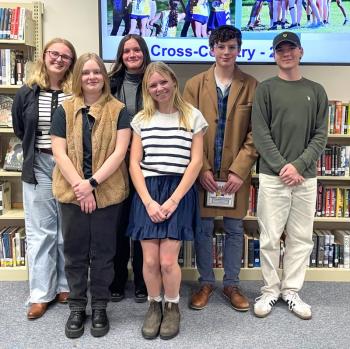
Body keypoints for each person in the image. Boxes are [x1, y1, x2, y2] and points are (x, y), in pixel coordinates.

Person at [51, 53, 130, 338]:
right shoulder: (64, 108)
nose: (92, 77)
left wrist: (92, 183)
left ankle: (99, 306)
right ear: (78, 77)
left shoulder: (119, 109)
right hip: (71, 192)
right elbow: (58, 151)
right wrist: (80, 186)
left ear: (104, 77)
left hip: (107, 192)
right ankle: (76, 307)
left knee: (104, 254)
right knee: (74, 253)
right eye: (85, 72)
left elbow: (120, 152)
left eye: (97, 72)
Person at [128, 62, 207, 340]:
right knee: (149, 261)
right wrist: (149, 202)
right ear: (147, 90)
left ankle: (172, 307)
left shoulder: (192, 116)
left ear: (173, 82)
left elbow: (196, 162)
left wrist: (173, 201)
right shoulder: (140, 120)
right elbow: (134, 165)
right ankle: (154, 305)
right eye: (152, 85)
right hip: (147, 192)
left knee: (167, 261)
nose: (159, 88)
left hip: (179, 191)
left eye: (163, 82)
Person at [251, 31, 328, 320]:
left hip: (306, 178)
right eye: (280, 49)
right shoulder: (266, 89)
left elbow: (321, 135)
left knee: (301, 237)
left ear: (301, 52)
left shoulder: (316, 90)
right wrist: (284, 166)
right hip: (273, 177)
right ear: (274, 55)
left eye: (291, 48)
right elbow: (260, 133)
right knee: (270, 237)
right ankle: (270, 290)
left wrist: (298, 166)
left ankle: (291, 291)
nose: (286, 53)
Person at [183, 25, 258, 312]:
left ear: (239, 49)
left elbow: (256, 133)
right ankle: (205, 282)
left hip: (235, 175)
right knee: (202, 228)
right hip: (202, 172)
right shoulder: (193, 85)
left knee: (235, 228)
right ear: (211, 49)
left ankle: (231, 283)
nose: (226, 52)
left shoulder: (251, 85)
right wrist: (199, 168)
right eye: (221, 47)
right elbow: (187, 129)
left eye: (232, 47)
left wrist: (240, 170)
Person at [11, 38, 77, 320]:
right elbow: (19, 127)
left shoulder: (77, 93)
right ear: (44, 57)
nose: (59, 60)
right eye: (54, 54)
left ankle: (64, 287)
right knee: (41, 232)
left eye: (66, 57)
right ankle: (40, 294)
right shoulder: (26, 92)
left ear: (71, 63)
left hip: (69, 166)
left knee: (67, 231)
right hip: (38, 163)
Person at [109, 34, 151, 303]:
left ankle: (142, 280)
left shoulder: (155, 80)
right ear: (121, 56)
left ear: (144, 52)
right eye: (127, 51)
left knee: (143, 223)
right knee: (119, 224)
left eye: (136, 50)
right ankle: (117, 279)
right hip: (116, 163)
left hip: (149, 163)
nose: (132, 55)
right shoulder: (111, 83)